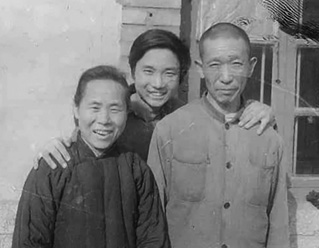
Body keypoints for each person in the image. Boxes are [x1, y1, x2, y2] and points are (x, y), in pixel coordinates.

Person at [33, 29, 275, 169]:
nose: (158, 84)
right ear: (133, 70)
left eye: (169, 73)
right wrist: (54, 147)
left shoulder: (186, 119)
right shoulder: (110, 119)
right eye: (148, 71)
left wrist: (257, 109)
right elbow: (76, 146)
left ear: (181, 76)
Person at [147, 23, 289, 248]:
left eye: (236, 64)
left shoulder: (269, 138)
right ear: (201, 68)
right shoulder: (170, 130)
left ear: (251, 67)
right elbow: (151, 220)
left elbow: (278, 224)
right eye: (214, 64)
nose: (226, 77)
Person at [12, 65, 170, 248]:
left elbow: (153, 240)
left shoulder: (136, 169)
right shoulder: (53, 167)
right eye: (94, 107)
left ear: (126, 113)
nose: (104, 119)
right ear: (76, 110)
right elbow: (29, 242)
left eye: (115, 109)